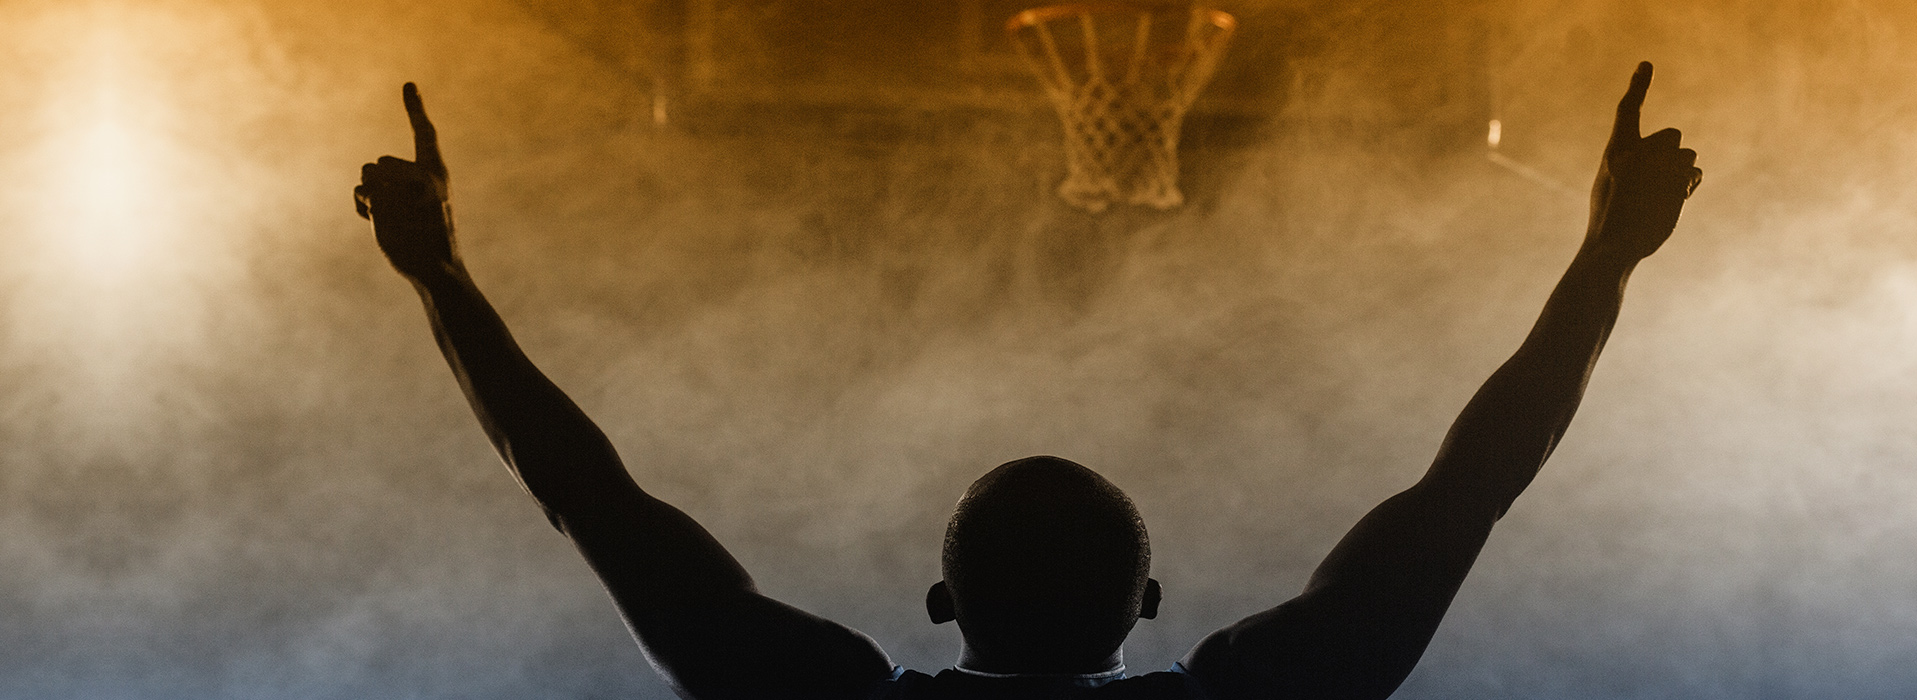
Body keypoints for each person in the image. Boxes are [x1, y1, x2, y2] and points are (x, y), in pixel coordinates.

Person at [353, 62, 1701, 700]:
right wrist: (1606, 260)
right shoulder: (1245, 699)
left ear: (938, 601)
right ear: (1150, 601)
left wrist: (442, 279)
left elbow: (588, 498)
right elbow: (1472, 488)